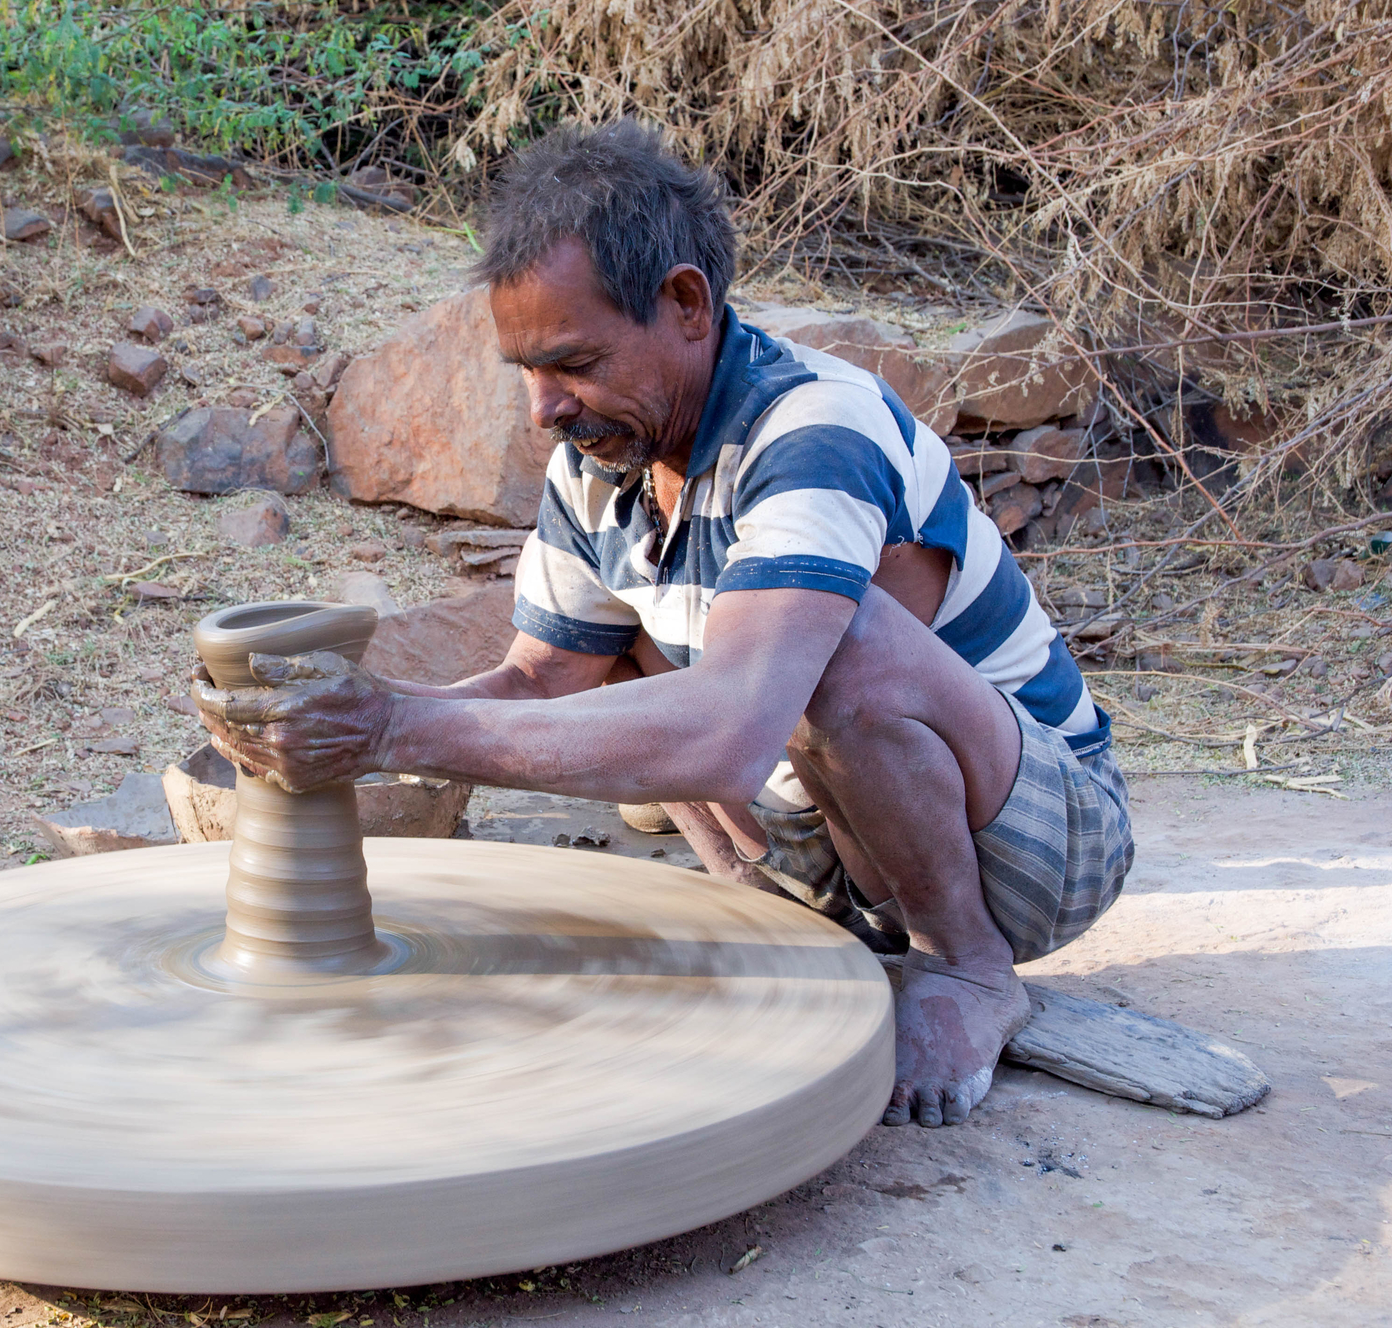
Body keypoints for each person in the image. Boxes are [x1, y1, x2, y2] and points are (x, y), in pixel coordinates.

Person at [194, 121, 1134, 1129]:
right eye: (525, 369)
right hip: (826, 839)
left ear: (686, 304)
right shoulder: (602, 458)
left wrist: (388, 730)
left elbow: (731, 729)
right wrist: (334, 727)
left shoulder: (816, 427)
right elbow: (532, 684)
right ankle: (793, 924)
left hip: (1030, 842)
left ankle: (970, 970)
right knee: (609, 662)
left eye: (573, 363)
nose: (541, 409)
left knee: (839, 647)